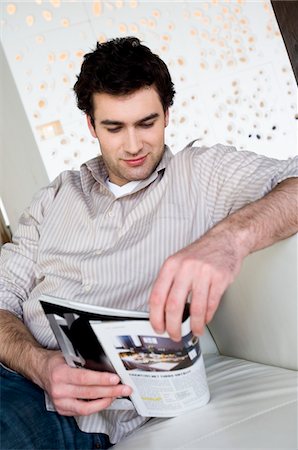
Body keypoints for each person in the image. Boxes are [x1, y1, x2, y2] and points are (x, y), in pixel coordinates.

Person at [0, 36, 297, 450]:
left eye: (146, 123)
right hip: (19, 364)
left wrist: (230, 239)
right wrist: (37, 362)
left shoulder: (200, 174)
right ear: (90, 125)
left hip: (70, 405)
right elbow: (2, 296)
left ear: (167, 114)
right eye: (114, 128)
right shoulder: (54, 197)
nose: (135, 145)